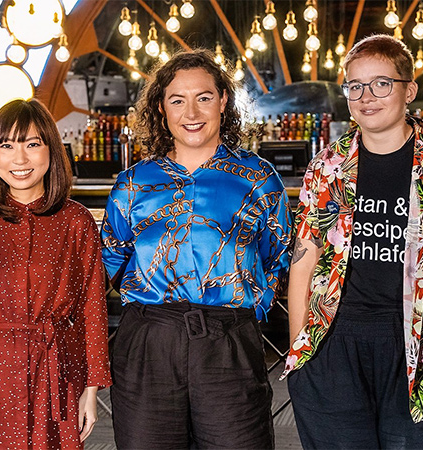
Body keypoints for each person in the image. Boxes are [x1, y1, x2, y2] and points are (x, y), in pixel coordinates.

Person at [282, 34, 423, 449]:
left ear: (410, 90)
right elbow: (305, 257)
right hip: (333, 343)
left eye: (382, 83)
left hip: (421, 347)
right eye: (355, 86)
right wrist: (301, 353)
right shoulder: (329, 166)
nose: (367, 96)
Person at [101, 49, 291, 449]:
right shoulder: (133, 183)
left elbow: (278, 254)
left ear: (223, 100)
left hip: (228, 343)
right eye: (177, 99)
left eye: (204, 97)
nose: (192, 111)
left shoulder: (258, 178)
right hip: (150, 343)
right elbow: (110, 261)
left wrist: (243, 316)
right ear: (160, 107)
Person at [0, 98, 111, 448]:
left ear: (51, 150)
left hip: (55, 362)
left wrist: (91, 389)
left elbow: (92, 307)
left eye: (32, 144)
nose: (20, 159)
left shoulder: (77, 221)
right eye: (7, 145)